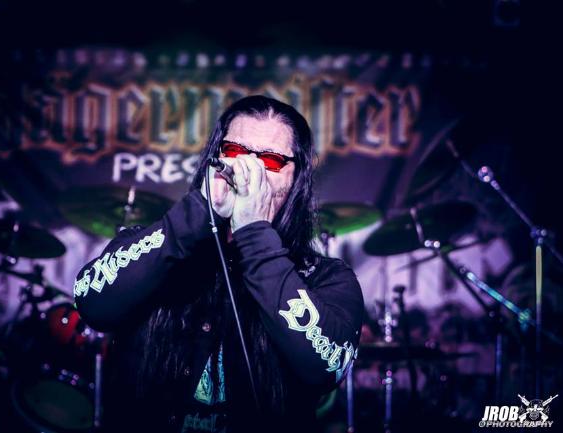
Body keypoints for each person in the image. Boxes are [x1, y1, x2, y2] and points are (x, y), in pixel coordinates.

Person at [73, 95, 364, 433]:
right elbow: (93, 303)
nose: (248, 172)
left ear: (296, 178)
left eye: (270, 160)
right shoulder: (160, 244)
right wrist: (197, 211)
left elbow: (324, 369)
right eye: (236, 152)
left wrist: (255, 234)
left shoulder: (325, 278)